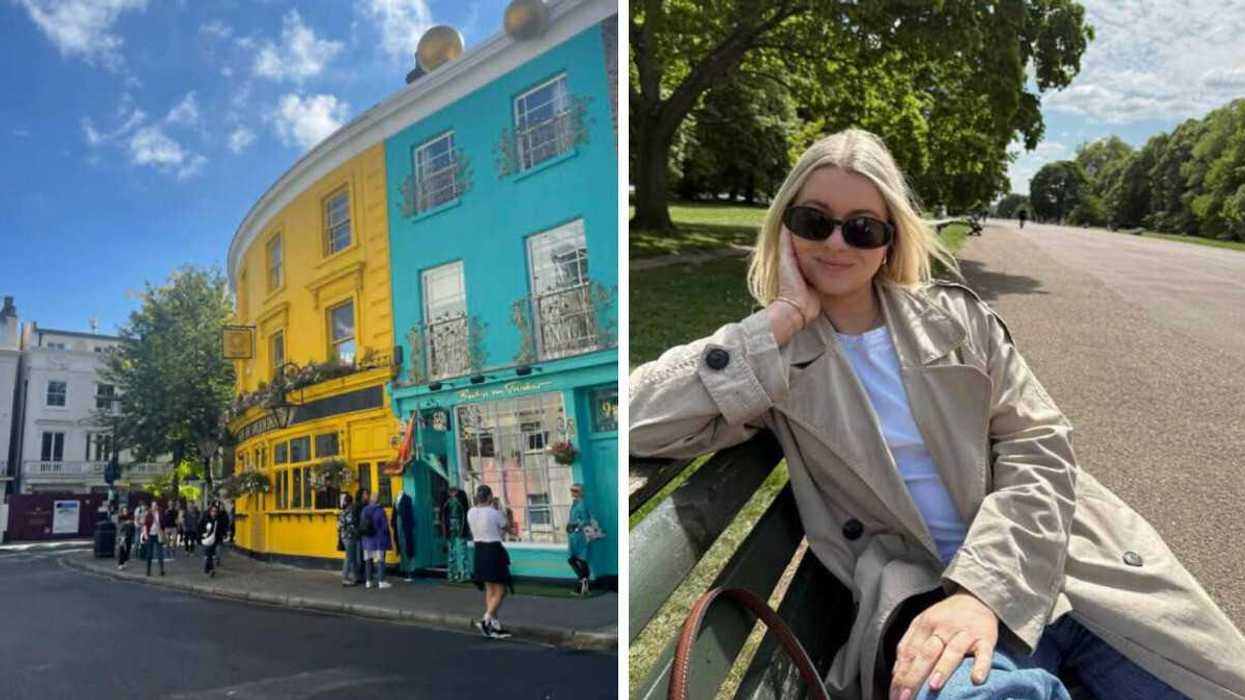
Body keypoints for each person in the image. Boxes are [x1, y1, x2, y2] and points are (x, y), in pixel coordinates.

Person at [629, 129, 1245, 700]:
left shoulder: (959, 322)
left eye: (862, 228)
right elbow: (635, 418)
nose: (836, 243)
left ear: (890, 239)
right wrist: (782, 318)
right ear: (784, 227)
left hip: (1060, 573)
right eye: (813, 221)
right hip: (924, 601)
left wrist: (984, 589)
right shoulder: (771, 360)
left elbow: (1040, 445)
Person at [470, 484, 513, 639]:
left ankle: (493, 624)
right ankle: (486, 619)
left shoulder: (471, 512)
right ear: (489, 497)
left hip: (479, 549)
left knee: (490, 588)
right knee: (501, 590)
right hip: (493, 550)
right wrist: (504, 514)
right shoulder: (494, 513)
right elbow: (508, 528)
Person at [359, 491, 392, 589]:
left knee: (368, 560)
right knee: (380, 561)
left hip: (366, 541)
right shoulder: (380, 511)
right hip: (378, 540)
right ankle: (381, 581)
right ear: (379, 500)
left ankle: (368, 581)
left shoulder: (364, 510)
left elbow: (361, 524)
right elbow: (384, 527)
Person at [566, 483, 594, 596]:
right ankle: (585, 586)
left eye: (576, 491)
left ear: (581, 492)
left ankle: (582, 584)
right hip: (574, 534)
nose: (573, 492)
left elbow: (586, 520)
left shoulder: (581, 503)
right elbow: (574, 518)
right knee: (579, 560)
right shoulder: (576, 502)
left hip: (578, 535)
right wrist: (569, 526)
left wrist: (575, 528)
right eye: (572, 490)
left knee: (575, 559)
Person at [441, 486, 472, 583]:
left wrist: (466, 528)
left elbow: (465, 512)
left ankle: (464, 574)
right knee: (452, 550)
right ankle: (452, 574)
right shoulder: (445, 497)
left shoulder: (461, 496)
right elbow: (442, 515)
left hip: (460, 525)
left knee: (462, 550)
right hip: (450, 526)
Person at [337, 494, 360, 586]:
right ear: (351, 502)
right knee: (349, 558)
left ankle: (355, 577)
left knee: (351, 557)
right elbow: (351, 525)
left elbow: (339, 526)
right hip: (350, 537)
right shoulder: (350, 512)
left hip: (344, 537)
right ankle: (345, 578)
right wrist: (357, 532)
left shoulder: (342, 512)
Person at [140, 501, 165, 577]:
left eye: (155, 505)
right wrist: (145, 534)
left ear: (157, 506)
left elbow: (163, 524)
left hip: (158, 535)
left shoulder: (160, 514)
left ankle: (161, 570)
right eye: (152, 506)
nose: (154, 507)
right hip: (150, 535)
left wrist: (162, 532)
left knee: (160, 553)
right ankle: (148, 570)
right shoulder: (149, 515)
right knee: (149, 554)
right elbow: (145, 524)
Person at [351, 488, 370, 583]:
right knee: (360, 555)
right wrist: (359, 529)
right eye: (366, 494)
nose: (367, 496)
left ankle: (366, 575)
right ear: (361, 495)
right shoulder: (357, 505)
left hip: (366, 533)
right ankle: (360, 576)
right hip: (360, 534)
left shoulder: (366, 505)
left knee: (365, 555)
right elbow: (354, 520)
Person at [198, 503, 220, 578]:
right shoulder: (205, 518)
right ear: (210, 511)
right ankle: (211, 569)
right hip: (207, 539)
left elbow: (219, 530)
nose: (214, 513)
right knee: (209, 554)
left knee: (210, 555)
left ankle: (207, 569)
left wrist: (220, 537)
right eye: (213, 511)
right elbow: (199, 527)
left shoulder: (217, 520)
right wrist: (201, 535)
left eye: (215, 511)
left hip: (214, 540)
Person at [116, 505, 135, 570]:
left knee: (128, 549)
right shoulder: (120, 518)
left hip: (128, 536)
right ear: (122, 511)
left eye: (126, 511)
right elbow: (120, 527)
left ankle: (125, 560)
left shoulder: (130, 517)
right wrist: (126, 523)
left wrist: (130, 523)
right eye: (124, 511)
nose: (125, 512)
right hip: (122, 536)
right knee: (122, 549)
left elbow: (132, 526)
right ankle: (120, 564)